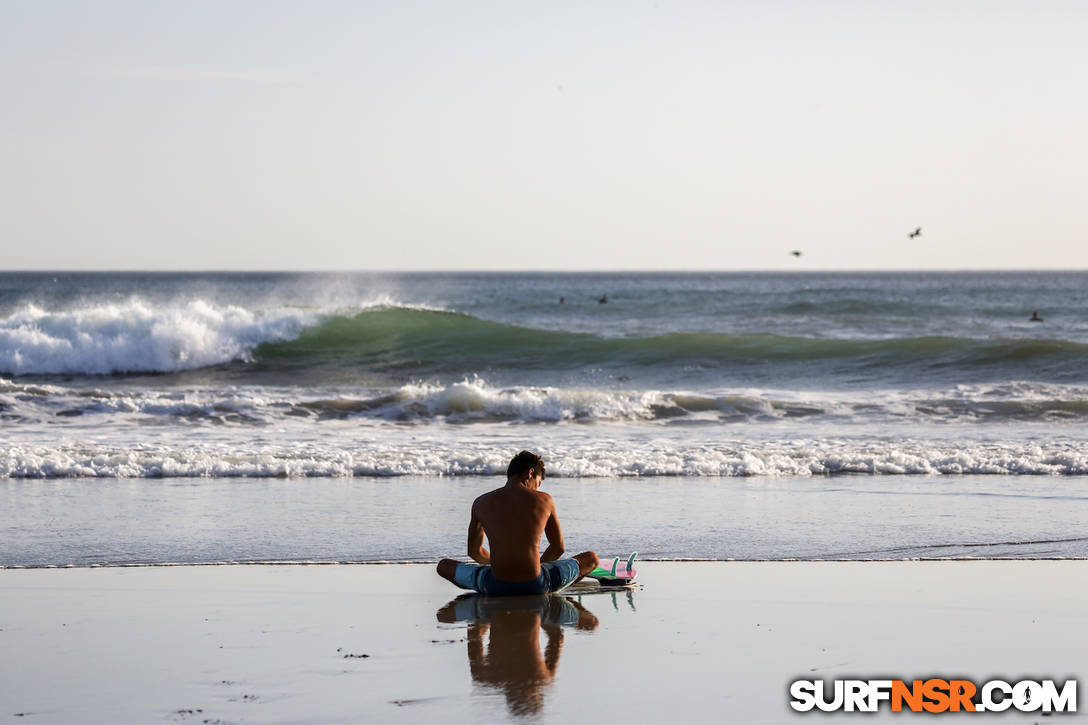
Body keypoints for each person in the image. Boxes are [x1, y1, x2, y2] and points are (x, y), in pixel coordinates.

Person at [437, 451, 598, 595]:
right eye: (538, 483)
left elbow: (474, 551)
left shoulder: (481, 503)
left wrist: (497, 564)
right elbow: (558, 548)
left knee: (443, 565)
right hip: (536, 585)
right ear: (530, 473)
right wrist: (534, 565)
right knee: (591, 558)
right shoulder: (544, 500)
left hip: (494, 585)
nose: (537, 489)